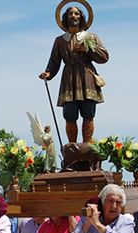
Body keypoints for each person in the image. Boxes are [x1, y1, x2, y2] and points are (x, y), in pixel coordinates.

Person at [40, 5, 109, 143]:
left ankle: (87, 146)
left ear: (81, 17)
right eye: (70, 14)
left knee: (88, 113)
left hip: (87, 77)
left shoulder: (90, 37)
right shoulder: (60, 40)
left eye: (77, 13)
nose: (74, 16)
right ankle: (72, 147)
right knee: (69, 114)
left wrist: (87, 49)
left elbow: (104, 57)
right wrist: (48, 73)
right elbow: (54, 61)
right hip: (69, 79)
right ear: (65, 18)